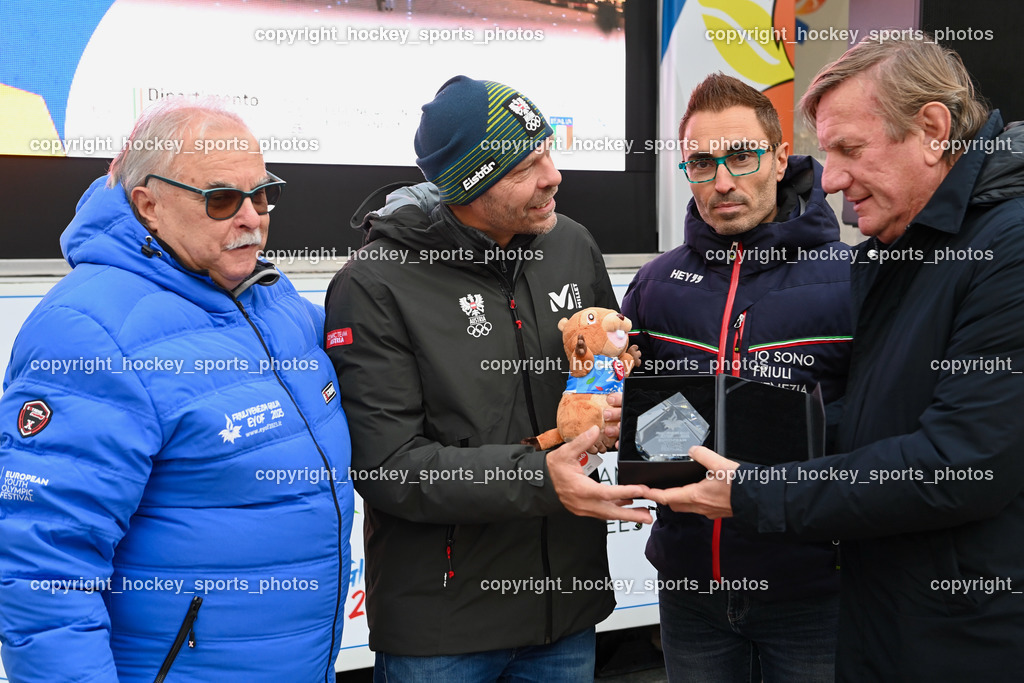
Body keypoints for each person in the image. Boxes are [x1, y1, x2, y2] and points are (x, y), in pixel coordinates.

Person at [646, 37, 1024, 682]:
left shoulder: (996, 249)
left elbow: (959, 462)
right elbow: (871, 420)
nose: (834, 178)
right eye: (700, 162)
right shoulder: (898, 250)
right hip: (869, 609)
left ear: (933, 129)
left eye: (850, 150)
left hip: (943, 622)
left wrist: (754, 490)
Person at [0, 101, 354, 682]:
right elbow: (43, 568)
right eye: (221, 200)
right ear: (149, 205)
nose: (251, 219)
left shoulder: (274, 299)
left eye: (261, 195)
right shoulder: (88, 330)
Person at [324, 75, 652, 682]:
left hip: (566, 617)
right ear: (467, 187)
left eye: (549, 150)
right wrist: (541, 478)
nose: (553, 176)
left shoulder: (571, 243)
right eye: (527, 166)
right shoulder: (376, 284)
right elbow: (389, 467)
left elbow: (607, 374)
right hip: (443, 633)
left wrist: (619, 407)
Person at [622, 72, 851, 683]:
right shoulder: (656, 285)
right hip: (690, 587)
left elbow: (888, 428)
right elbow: (627, 413)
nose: (722, 182)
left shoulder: (853, 280)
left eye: (742, 157)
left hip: (814, 591)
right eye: (701, 162)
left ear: (779, 158)